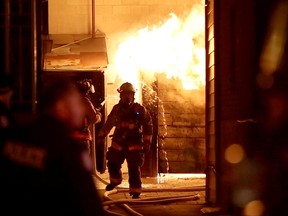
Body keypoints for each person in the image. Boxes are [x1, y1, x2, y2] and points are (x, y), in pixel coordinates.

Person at [0, 78, 104, 216]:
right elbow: (89, 204)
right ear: (60, 106)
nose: (79, 111)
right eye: (76, 105)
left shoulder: (14, 137)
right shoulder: (70, 150)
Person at [97, 82, 153, 199]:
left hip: (135, 144)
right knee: (112, 163)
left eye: (130, 94)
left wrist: (147, 142)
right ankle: (115, 181)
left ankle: (135, 190)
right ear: (120, 95)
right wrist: (101, 136)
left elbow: (148, 124)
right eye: (125, 94)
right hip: (119, 143)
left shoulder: (139, 109)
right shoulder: (116, 109)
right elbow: (109, 123)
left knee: (133, 168)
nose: (127, 97)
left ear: (133, 95)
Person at [73, 79, 102, 155]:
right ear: (86, 91)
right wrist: (98, 115)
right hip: (82, 139)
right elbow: (94, 119)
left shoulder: (70, 101)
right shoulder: (85, 102)